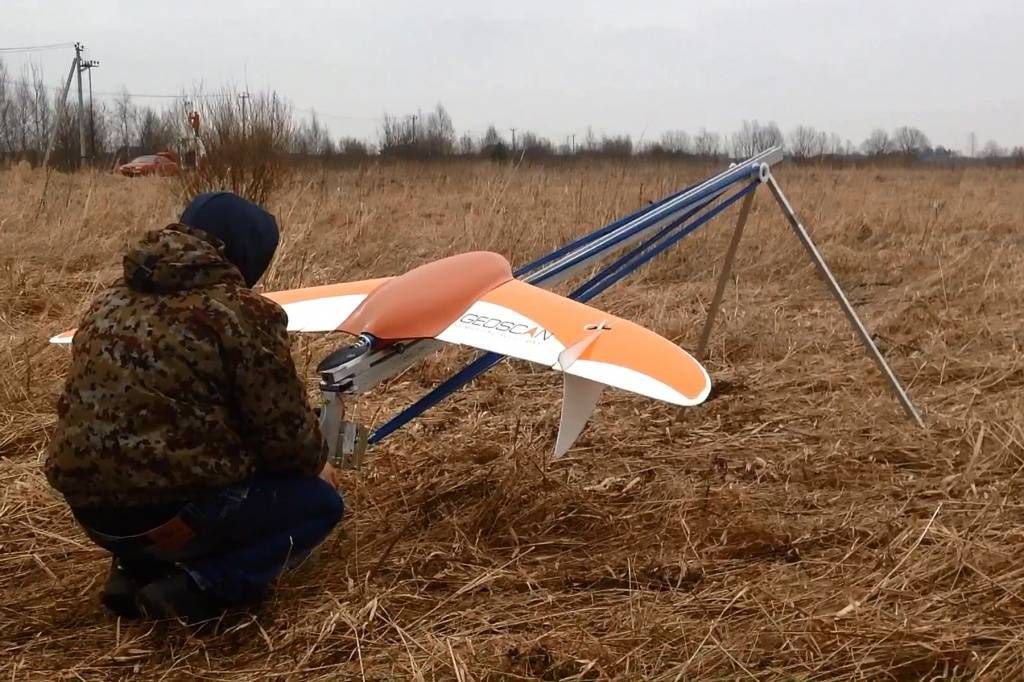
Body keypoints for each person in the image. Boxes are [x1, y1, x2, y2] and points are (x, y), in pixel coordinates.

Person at [44, 191, 344, 622]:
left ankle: (133, 570)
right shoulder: (242, 312)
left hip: (93, 516)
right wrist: (319, 463)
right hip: (176, 517)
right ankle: (198, 587)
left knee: (147, 464)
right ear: (246, 252)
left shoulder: (109, 300)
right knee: (318, 504)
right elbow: (286, 442)